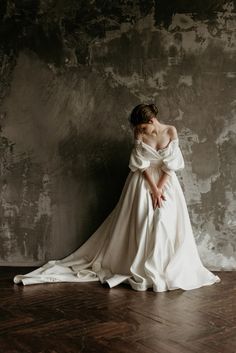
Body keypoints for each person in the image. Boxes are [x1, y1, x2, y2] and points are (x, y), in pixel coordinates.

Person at [13, 103, 221, 292]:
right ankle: (140, 264)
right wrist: (152, 189)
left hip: (167, 183)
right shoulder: (139, 134)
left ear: (151, 121)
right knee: (142, 221)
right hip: (142, 182)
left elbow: (172, 165)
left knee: (166, 222)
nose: (139, 131)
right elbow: (141, 165)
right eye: (137, 128)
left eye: (142, 127)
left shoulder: (171, 131)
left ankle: (165, 268)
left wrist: (160, 189)